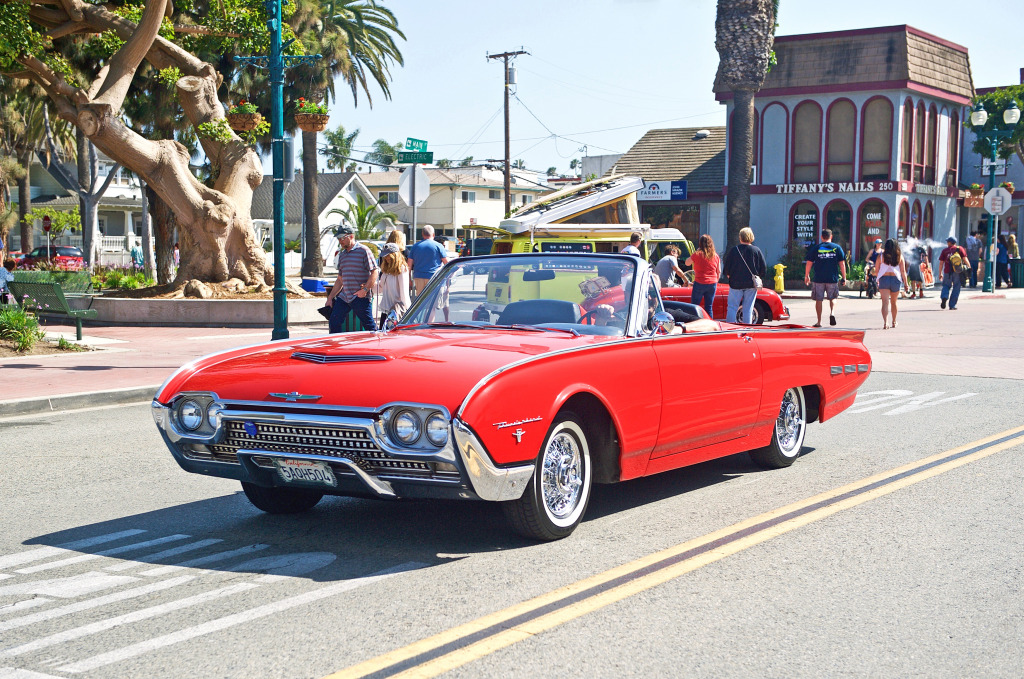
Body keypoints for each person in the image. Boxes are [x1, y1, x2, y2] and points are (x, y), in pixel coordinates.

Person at [326, 225, 379, 333]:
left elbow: (375, 271)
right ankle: (337, 347)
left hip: (360, 296)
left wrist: (365, 290)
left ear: (351, 236)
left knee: (369, 326)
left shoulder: (364, 251)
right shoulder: (342, 255)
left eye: (342, 238)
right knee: (334, 322)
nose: (340, 241)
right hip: (344, 296)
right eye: (338, 238)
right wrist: (330, 297)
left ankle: (378, 345)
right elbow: (340, 279)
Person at [803, 228, 847, 327]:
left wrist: (807, 276)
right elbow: (842, 264)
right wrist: (844, 277)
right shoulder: (837, 248)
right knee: (833, 298)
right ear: (831, 237)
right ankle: (832, 313)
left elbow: (809, 263)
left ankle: (819, 322)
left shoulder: (816, 248)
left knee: (819, 300)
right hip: (832, 278)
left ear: (822, 237)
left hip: (819, 278)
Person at [724, 227, 766, 324]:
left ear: (740, 237)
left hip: (735, 283)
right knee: (748, 308)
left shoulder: (734, 250)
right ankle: (747, 329)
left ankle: (730, 328)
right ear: (751, 237)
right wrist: (758, 276)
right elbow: (763, 268)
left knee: (732, 307)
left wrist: (730, 275)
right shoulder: (756, 250)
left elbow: (727, 267)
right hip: (751, 284)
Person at [875, 239, 909, 329]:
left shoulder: (881, 256)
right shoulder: (899, 256)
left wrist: (877, 279)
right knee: (894, 302)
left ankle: (886, 323)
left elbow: (876, 270)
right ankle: (894, 321)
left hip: (884, 279)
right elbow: (903, 271)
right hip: (895, 279)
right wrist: (906, 283)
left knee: (885, 302)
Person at [407, 224, 449, 296]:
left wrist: (409, 280)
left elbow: (409, 265)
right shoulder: (438, 246)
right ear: (433, 234)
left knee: (420, 301)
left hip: (419, 276)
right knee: (433, 301)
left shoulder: (415, 246)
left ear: (422, 234)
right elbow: (446, 263)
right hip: (434, 276)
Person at [684, 234, 720, 316]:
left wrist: (696, 252)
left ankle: (694, 322)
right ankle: (710, 324)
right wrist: (716, 281)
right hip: (712, 283)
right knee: (709, 306)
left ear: (700, 243)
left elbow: (687, 263)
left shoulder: (697, 254)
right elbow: (719, 271)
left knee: (694, 306)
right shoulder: (715, 255)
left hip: (700, 282)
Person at [377, 249, 411, 322]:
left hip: (397, 310)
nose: (386, 258)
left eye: (388, 255)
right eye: (385, 256)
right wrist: (368, 286)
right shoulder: (386, 270)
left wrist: (407, 309)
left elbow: (404, 291)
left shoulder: (402, 269)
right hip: (386, 308)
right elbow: (380, 287)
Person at [937, 236, 968, 310]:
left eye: (948, 241)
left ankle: (944, 297)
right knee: (956, 287)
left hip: (947, 271)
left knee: (946, 286)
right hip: (958, 272)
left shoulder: (945, 251)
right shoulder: (960, 249)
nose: (947, 243)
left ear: (950, 242)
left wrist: (940, 273)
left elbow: (941, 263)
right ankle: (952, 305)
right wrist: (969, 268)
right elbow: (965, 259)